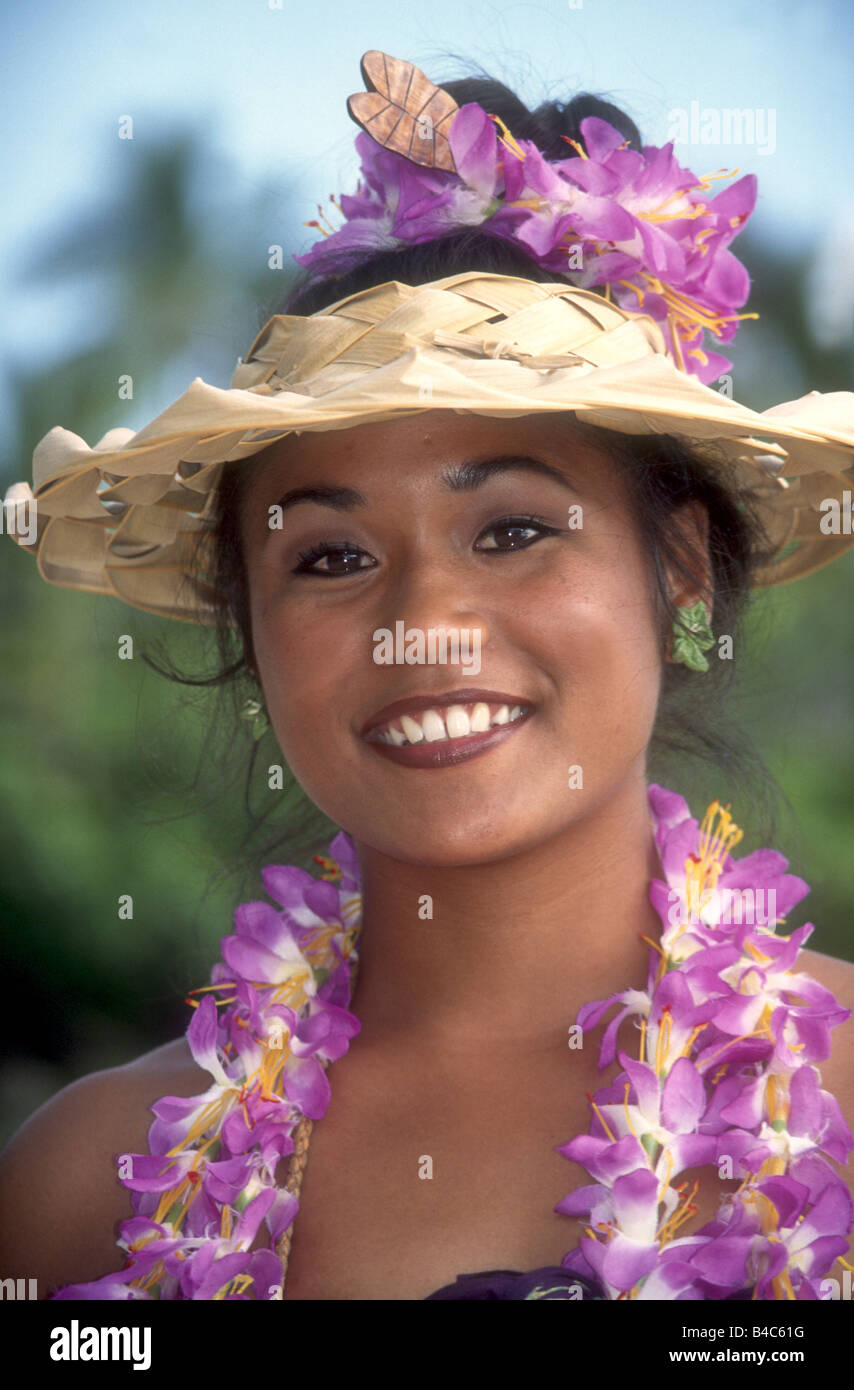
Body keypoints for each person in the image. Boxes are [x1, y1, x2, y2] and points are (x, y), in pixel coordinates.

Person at [2, 50, 853, 1302]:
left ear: (674, 568)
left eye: (510, 529)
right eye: (331, 555)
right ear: (249, 626)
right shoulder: (77, 1190)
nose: (424, 625)